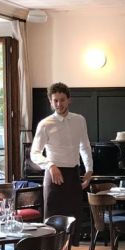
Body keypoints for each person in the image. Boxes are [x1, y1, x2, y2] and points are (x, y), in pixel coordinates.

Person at [30, 82, 93, 221]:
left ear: (69, 100)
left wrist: (89, 169)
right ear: (50, 102)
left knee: (75, 219)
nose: (59, 104)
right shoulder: (45, 124)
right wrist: (50, 165)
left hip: (74, 174)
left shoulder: (80, 120)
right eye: (55, 101)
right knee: (53, 220)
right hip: (54, 176)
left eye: (62, 100)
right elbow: (34, 153)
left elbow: (85, 147)